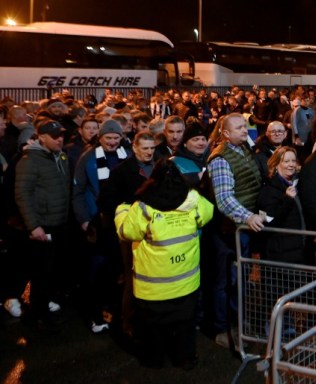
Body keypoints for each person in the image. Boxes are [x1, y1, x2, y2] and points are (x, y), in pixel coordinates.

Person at [115, 158, 214, 370]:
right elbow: (207, 214)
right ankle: (186, 359)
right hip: (186, 282)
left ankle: (154, 360)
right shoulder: (193, 200)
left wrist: (121, 212)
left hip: (153, 287)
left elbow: (126, 232)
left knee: (152, 328)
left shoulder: (143, 207)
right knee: (185, 326)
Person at [208, 113, 267, 348]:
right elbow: (224, 199)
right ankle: (224, 327)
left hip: (244, 229)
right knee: (228, 282)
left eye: (245, 126)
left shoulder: (244, 149)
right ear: (225, 133)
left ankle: (239, 322)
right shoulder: (220, 159)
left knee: (240, 280)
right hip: (230, 231)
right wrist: (248, 216)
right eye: (239, 127)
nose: (245, 130)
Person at [98, 130, 158, 339]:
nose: (149, 152)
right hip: (133, 233)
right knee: (133, 277)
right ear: (134, 148)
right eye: (145, 148)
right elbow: (106, 201)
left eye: (152, 148)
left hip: (157, 231)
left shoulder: (160, 167)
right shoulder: (122, 172)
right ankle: (129, 322)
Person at [72, 118, 130, 334]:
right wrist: (84, 219)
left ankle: (115, 309)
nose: (113, 142)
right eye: (108, 138)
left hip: (122, 223)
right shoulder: (87, 158)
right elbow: (77, 192)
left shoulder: (128, 155)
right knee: (96, 271)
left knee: (119, 270)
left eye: (116, 138)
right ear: (100, 137)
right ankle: (94, 314)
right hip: (98, 222)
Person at [14, 119, 71, 330]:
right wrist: (33, 225)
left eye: (62, 135)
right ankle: (38, 316)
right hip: (43, 225)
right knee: (41, 273)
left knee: (52, 271)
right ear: (42, 137)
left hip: (59, 222)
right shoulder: (30, 160)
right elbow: (22, 194)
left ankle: (43, 309)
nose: (59, 139)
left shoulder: (60, 157)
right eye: (55, 136)